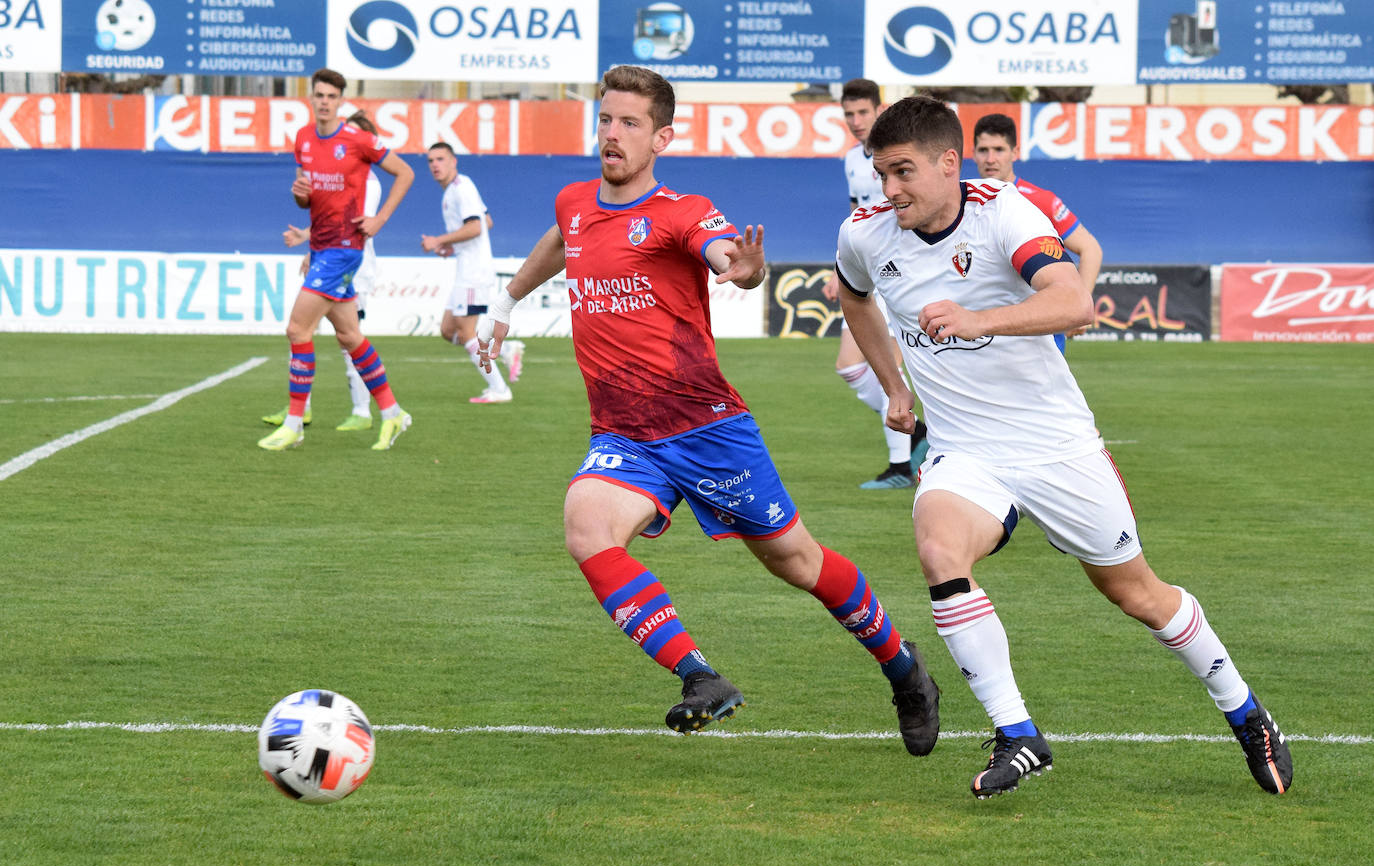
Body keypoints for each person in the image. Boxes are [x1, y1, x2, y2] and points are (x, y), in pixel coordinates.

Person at [834, 95, 1292, 797]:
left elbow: (1074, 302)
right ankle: (1018, 733)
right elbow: (854, 296)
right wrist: (894, 386)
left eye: (902, 172)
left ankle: (1245, 710)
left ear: (948, 163)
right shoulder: (865, 235)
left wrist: (975, 318)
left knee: (1136, 592)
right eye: (880, 172)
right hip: (966, 449)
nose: (888, 189)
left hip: (1056, 444)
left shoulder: (1005, 214)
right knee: (938, 548)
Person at [476, 65, 940, 751]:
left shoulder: (681, 211)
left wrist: (742, 267)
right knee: (585, 525)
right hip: (626, 436)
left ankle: (904, 667)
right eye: (606, 118)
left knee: (798, 562)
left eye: (630, 123)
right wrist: (505, 301)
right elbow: (560, 238)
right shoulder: (575, 202)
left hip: (708, 429)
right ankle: (701, 677)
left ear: (662, 136)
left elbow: (726, 253)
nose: (612, 133)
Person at [258, 68, 414, 452]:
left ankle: (295, 423)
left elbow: (405, 173)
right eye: (319, 94)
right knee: (349, 335)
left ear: (340, 101)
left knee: (297, 330)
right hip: (322, 248)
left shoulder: (358, 140)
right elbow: (306, 198)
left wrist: (380, 219)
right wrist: (299, 194)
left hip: (346, 249)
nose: (324, 100)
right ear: (312, 98)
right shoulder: (304, 139)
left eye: (331, 95)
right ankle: (393, 413)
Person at [821, 79, 928, 490]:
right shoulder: (852, 159)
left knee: (891, 368)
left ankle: (901, 466)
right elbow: (855, 217)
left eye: (863, 112)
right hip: (867, 273)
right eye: (849, 114)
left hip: (899, 272)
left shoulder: (902, 151)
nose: (856, 121)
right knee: (849, 367)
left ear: (879, 109)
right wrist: (840, 267)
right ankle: (918, 431)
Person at [262, 110, 381, 433]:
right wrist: (310, 244)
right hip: (331, 258)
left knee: (346, 338)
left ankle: (362, 410)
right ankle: (300, 409)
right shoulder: (341, 175)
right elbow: (328, 217)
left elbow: (351, 224)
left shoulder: (367, 181)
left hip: (354, 266)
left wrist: (309, 243)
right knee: (304, 331)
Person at [971, 113, 1103, 352]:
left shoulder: (1041, 200)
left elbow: (1090, 247)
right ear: (973, 153)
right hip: (984, 336)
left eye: (999, 149)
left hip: (1039, 340)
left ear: (1015, 152)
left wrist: (1078, 302)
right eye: (983, 150)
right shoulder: (965, 202)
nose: (990, 159)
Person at [420, 142, 524, 403]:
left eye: (440, 159)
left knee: (466, 332)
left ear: (454, 161)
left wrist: (439, 240)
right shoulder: (457, 189)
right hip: (466, 268)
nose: (435, 165)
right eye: (431, 160)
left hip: (473, 271)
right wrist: (451, 245)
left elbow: (477, 227)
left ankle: (500, 390)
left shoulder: (461, 189)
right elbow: (486, 220)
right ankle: (508, 349)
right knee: (448, 330)